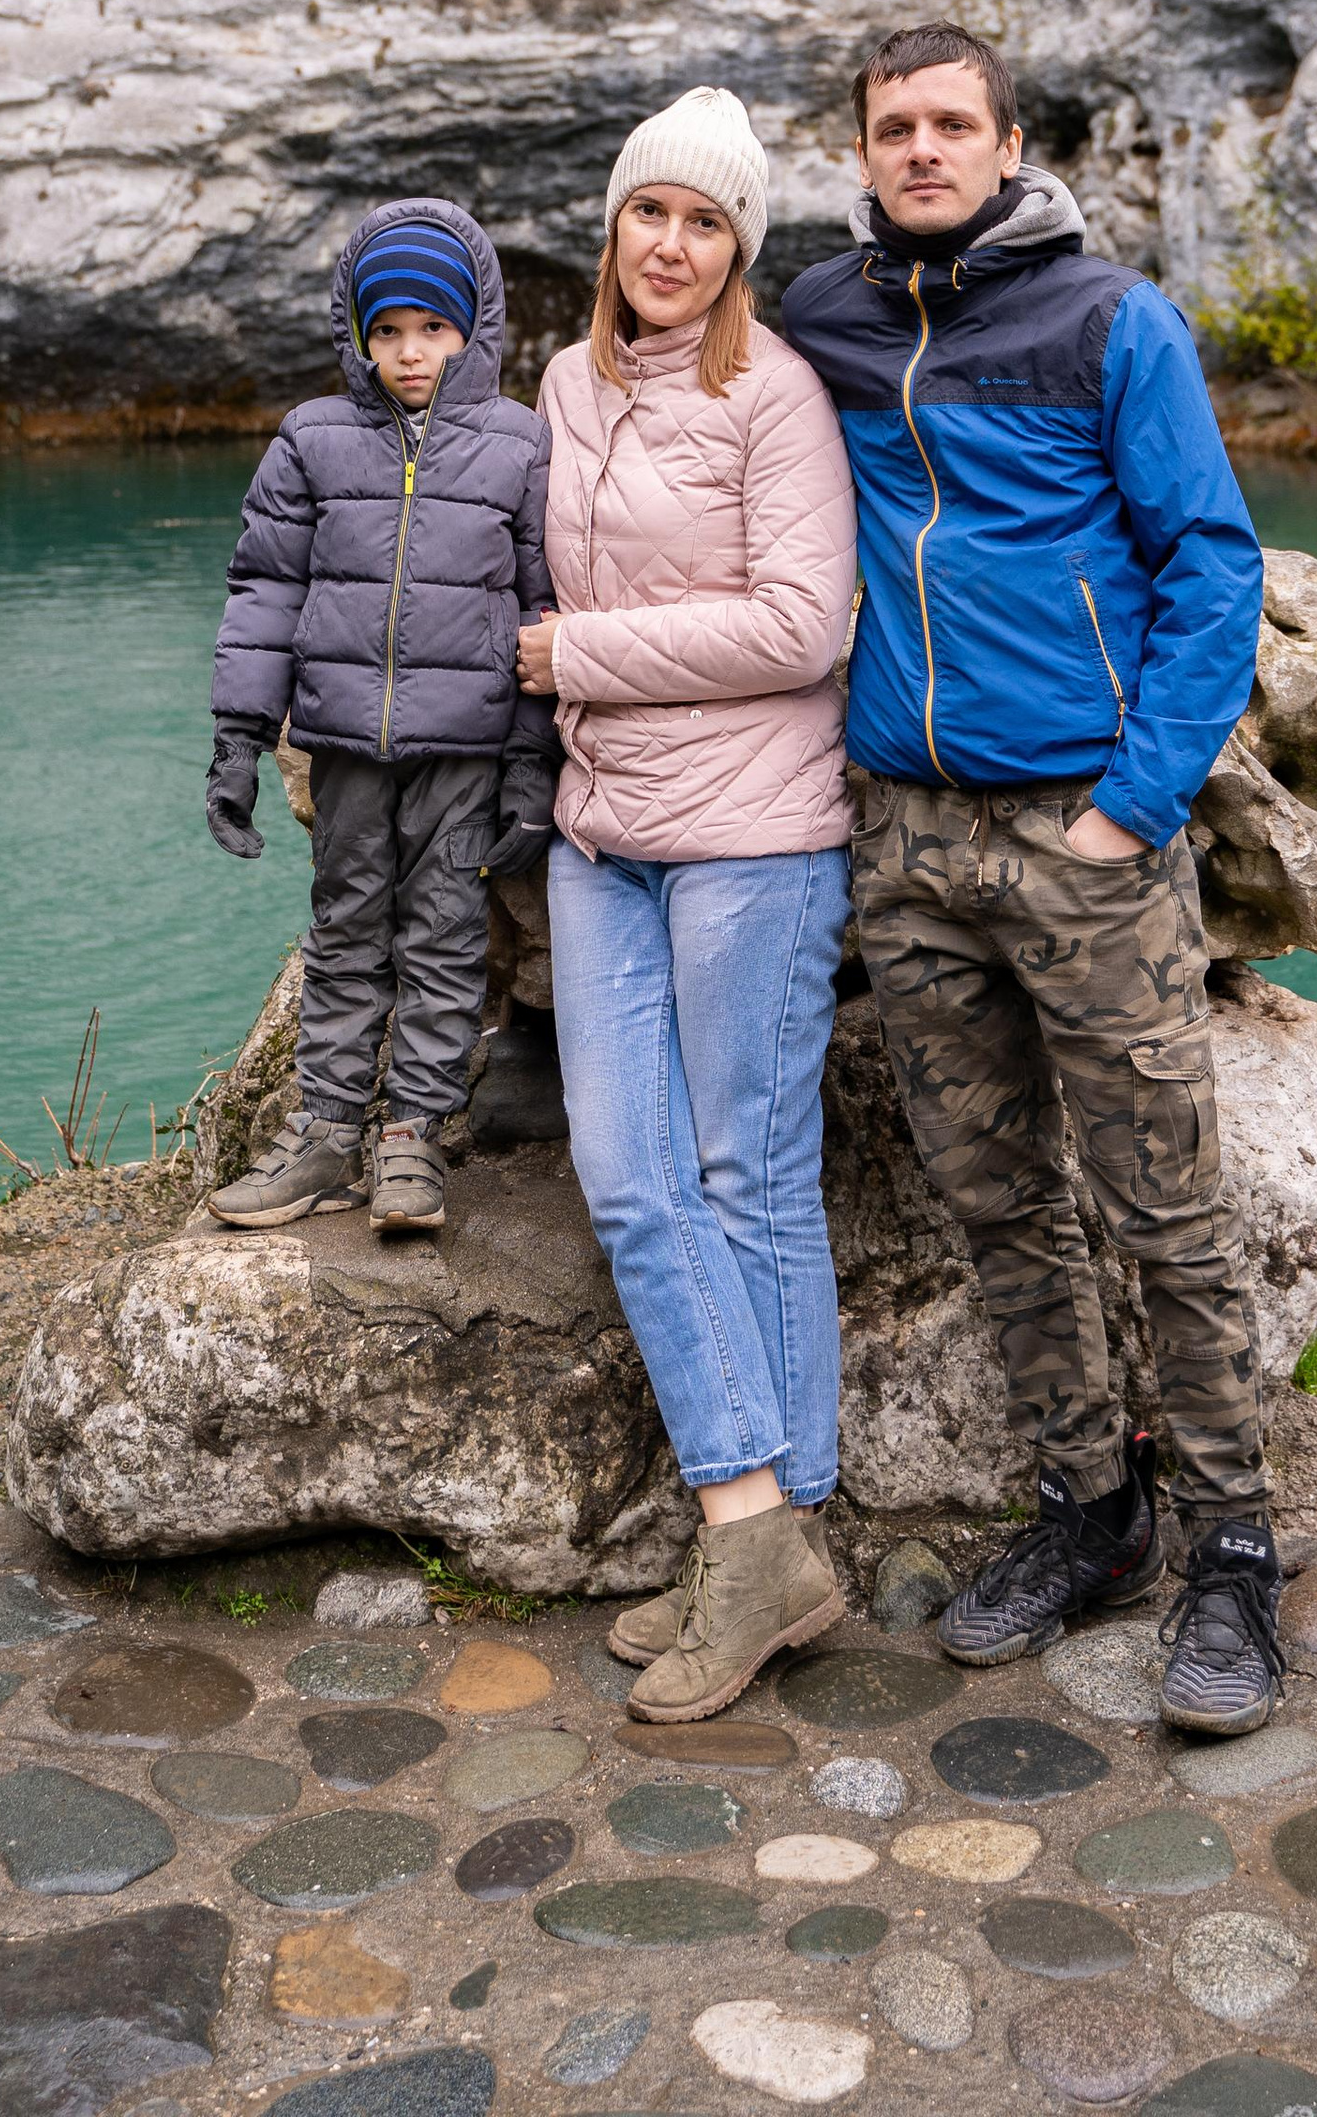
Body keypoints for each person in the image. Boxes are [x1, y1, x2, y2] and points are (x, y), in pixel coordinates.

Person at [778, 22, 1282, 1737]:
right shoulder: (822, 322)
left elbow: (1214, 568)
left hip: (1083, 832)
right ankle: (1092, 1511)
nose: (921, 150)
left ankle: (1232, 1551)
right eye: (892, 127)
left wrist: (1134, 809)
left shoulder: (1109, 321)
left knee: (1168, 1216)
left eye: (950, 125)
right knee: (1000, 1208)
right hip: (905, 843)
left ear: (1009, 145)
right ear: (861, 154)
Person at [518, 85, 860, 1725]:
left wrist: (575, 659)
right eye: (651, 211)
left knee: (745, 1177)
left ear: (740, 249)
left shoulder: (776, 399)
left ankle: (758, 1543)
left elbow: (803, 625)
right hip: (603, 836)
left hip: (756, 837)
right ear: (615, 227)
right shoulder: (564, 384)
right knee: (627, 1173)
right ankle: (764, 1538)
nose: (672, 243)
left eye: (707, 221)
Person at [202, 199, 557, 1237]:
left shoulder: (518, 444)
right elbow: (261, 595)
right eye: (388, 330)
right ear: (358, 335)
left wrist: (531, 771)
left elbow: (544, 608)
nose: (411, 354)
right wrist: (234, 742)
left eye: (434, 330)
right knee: (345, 935)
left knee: (445, 943)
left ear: (473, 331)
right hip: (345, 748)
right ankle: (321, 1136)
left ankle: (411, 1144)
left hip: (466, 752)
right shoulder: (311, 441)